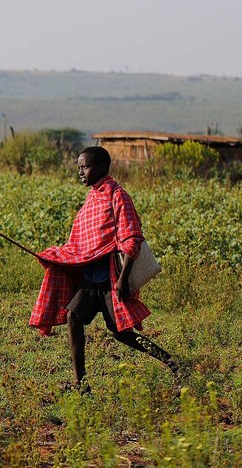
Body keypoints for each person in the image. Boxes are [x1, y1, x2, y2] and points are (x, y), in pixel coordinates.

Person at [30, 146, 179, 392]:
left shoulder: (117, 196)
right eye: (79, 167)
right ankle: (82, 384)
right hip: (90, 280)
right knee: (73, 316)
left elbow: (132, 238)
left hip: (110, 279)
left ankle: (173, 363)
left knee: (121, 332)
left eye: (84, 167)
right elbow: (81, 243)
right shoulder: (92, 197)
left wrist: (122, 281)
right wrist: (55, 256)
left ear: (101, 167)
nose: (80, 172)